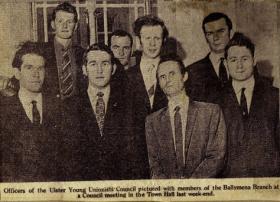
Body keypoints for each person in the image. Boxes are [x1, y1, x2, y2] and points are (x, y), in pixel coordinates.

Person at [145, 55, 226, 179]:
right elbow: (154, 165)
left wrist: (189, 186)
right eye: (162, 77)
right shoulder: (152, 121)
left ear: (185, 76)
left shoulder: (210, 112)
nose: (167, 80)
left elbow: (216, 156)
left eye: (172, 74)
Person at [0, 41, 62, 182]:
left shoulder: (59, 108)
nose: (36, 74)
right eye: (29, 68)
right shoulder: (3, 109)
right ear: (17, 73)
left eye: (40, 68)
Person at [221, 32, 279, 177]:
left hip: (268, 180)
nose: (239, 66)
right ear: (226, 63)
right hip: (230, 182)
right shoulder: (216, 100)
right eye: (233, 60)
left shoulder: (275, 96)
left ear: (254, 60)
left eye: (245, 59)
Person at [73, 43, 134, 180]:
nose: (99, 70)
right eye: (93, 64)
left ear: (113, 69)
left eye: (105, 64)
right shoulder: (68, 107)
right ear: (84, 69)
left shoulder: (130, 105)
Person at [126, 15, 169, 179]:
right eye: (147, 38)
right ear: (139, 41)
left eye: (157, 38)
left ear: (163, 40)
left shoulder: (173, 73)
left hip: (166, 152)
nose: (152, 43)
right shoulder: (126, 77)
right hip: (136, 156)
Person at [187, 12, 233, 104]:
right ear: (205, 37)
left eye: (221, 31)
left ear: (230, 31)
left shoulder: (243, 65)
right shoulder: (192, 71)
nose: (216, 37)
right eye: (210, 33)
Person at [44, 1, 84, 100]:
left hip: (76, 111)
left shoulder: (83, 53)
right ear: (53, 24)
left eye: (69, 22)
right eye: (60, 21)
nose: (65, 26)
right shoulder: (42, 51)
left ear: (76, 26)